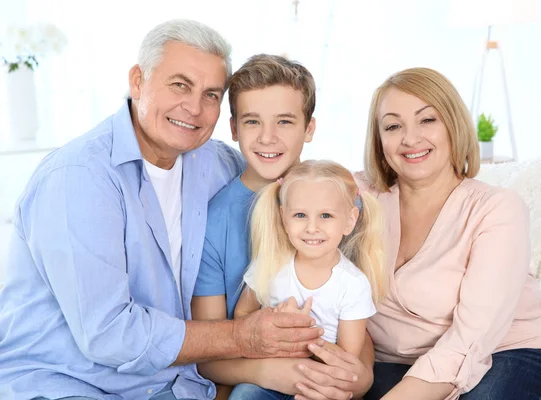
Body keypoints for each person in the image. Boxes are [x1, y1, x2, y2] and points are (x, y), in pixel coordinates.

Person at [0, 20, 325, 400]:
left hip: (178, 384)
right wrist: (242, 336)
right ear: (138, 81)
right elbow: (109, 335)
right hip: (69, 384)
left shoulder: (217, 164)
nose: (194, 107)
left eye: (211, 95)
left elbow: (283, 172)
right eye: (179, 85)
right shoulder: (79, 178)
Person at [357, 67, 541, 400]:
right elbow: (292, 189)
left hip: (511, 356)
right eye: (393, 126)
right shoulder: (359, 197)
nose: (410, 138)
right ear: (379, 140)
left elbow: (472, 340)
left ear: (453, 125)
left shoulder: (496, 208)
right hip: (400, 366)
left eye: (427, 120)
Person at [191, 55, 375, 400]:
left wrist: (360, 378)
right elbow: (206, 353)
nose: (268, 137)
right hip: (255, 380)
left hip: (328, 378)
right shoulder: (214, 222)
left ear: (309, 128)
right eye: (252, 121)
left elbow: (358, 323)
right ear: (233, 128)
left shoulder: (343, 204)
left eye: (285, 122)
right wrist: (268, 372)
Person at [231, 160, 389, 399]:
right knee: (244, 394)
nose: (311, 227)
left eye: (325, 215)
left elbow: (346, 359)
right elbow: (242, 317)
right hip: (270, 378)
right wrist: (274, 320)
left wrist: (303, 331)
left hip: (319, 384)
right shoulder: (270, 265)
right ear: (284, 218)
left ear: (349, 220)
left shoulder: (353, 285)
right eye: (300, 215)